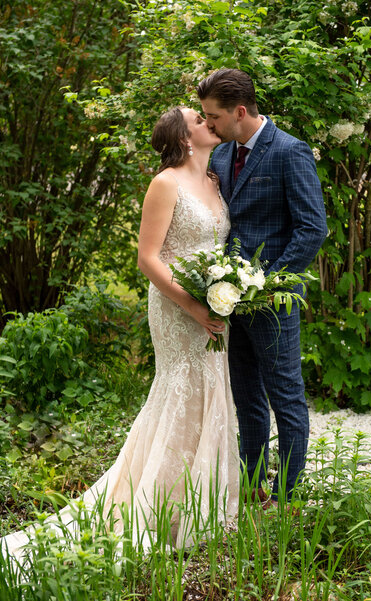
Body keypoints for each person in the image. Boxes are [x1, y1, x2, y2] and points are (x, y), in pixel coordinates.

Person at [1, 106, 239, 561]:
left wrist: (224, 294)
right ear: (185, 138)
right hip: (176, 307)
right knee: (179, 392)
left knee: (210, 389)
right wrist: (192, 306)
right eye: (198, 119)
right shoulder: (164, 183)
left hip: (213, 307)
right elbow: (148, 258)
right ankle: (154, 506)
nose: (209, 121)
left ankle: (199, 508)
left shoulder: (213, 181)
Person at [197, 68, 328, 506]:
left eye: (212, 117)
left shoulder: (290, 152)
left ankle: (287, 498)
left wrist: (270, 286)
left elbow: (312, 229)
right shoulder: (219, 157)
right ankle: (253, 489)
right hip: (228, 300)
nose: (208, 125)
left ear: (239, 111)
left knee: (286, 398)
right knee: (246, 398)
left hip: (274, 301)